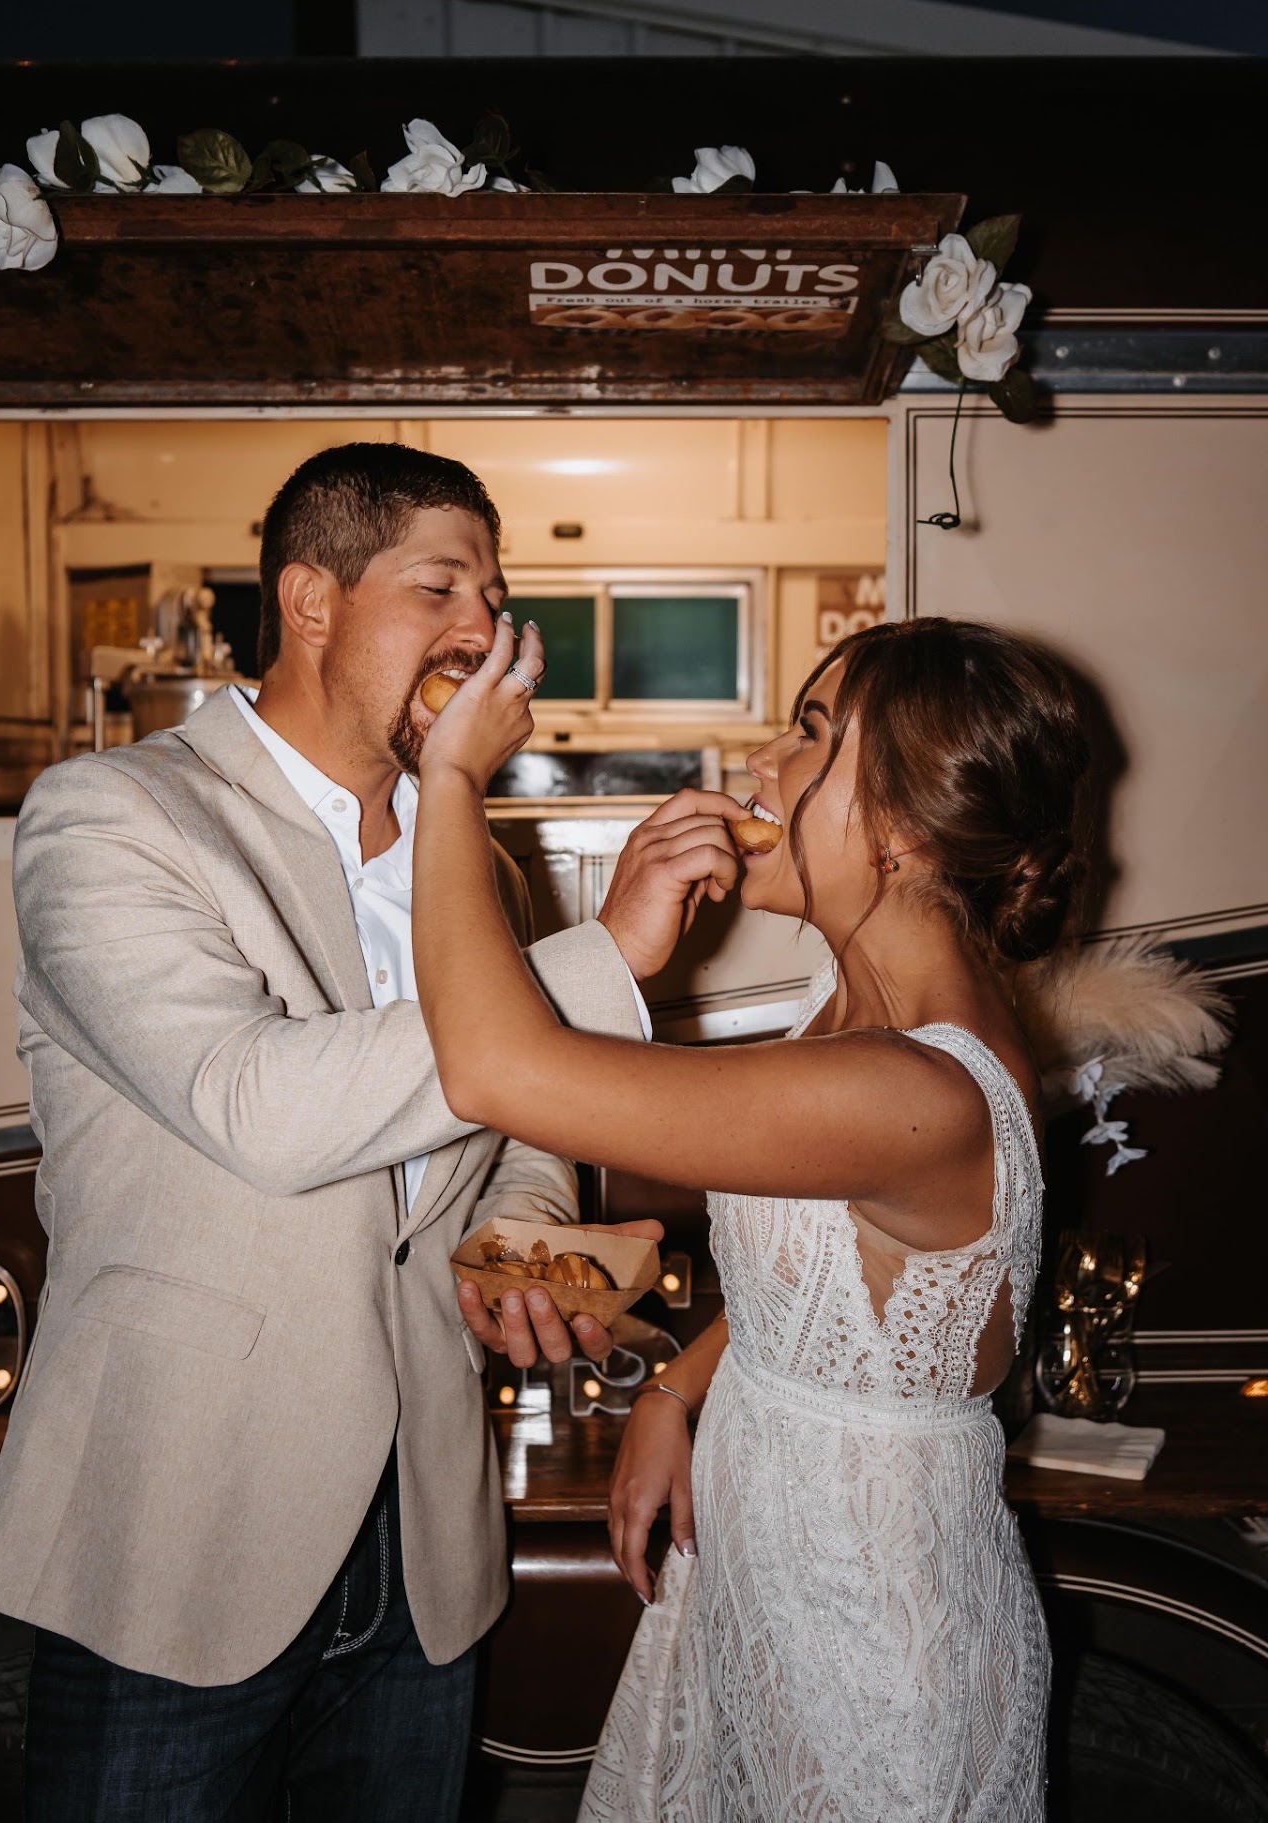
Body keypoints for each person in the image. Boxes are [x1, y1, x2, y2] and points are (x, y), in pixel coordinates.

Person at [0, 443, 730, 1821]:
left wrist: (526, 1233)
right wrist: (605, 960)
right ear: (311, 602)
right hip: (175, 1533)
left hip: (425, 1551)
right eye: (440, 587)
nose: (483, 630)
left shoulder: (479, 863)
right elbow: (254, 1104)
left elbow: (513, 1124)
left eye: (494, 596)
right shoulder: (112, 815)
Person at [410, 611, 1091, 1821]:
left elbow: (492, 1068)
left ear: (902, 826)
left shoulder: (905, 1087)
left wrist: (454, 777)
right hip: (775, 1584)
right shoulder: (854, 1013)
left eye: (810, 734)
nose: (761, 761)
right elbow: (845, 1297)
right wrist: (675, 1391)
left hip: (867, 1641)